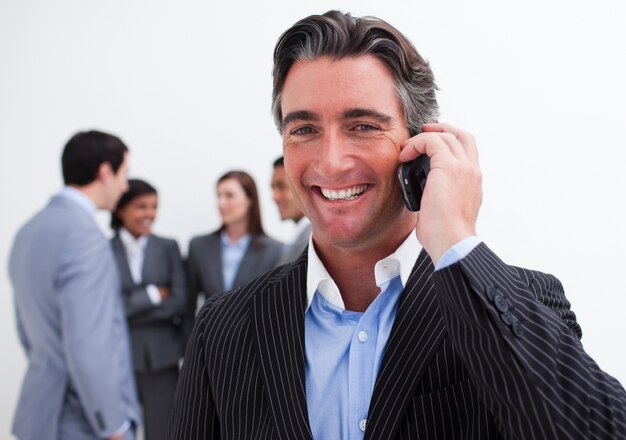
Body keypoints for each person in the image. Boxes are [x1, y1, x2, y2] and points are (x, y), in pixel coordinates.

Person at [168, 11, 626, 440]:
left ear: (423, 143)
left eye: (363, 126)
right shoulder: (223, 328)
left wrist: (453, 240)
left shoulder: (526, 301)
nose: (330, 162)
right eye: (304, 130)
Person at [9, 130, 140, 440]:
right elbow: (90, 345)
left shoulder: (28, 231)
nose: (124, 186)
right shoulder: (83, 238)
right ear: (105, 172)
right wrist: (114, 425)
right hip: (83, 422)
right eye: (124, 174)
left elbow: (27, 330)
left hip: (37, 417)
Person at [110, 179, 188, 440]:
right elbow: (108, 308)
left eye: (154, 207)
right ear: (120, 210)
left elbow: (179, 302)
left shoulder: (168, 247)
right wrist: (154, 294)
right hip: (118, 356)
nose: (149, 214)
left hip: (162, 358)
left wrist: (129, 307)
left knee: (163, 432)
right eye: (141, 207)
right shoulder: (103, 251)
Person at [186, 170, 282, 314]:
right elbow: (187, 306)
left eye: (229, 196)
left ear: (250, 200)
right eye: (218, 196)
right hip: (209, 335)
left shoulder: (275, 251)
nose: (221, 203)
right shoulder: (199, 246)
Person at [271, 156, 311, 266]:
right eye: (273, 188)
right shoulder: (299, 239)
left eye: (281, 186)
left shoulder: (313, 242)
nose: (275, 197)